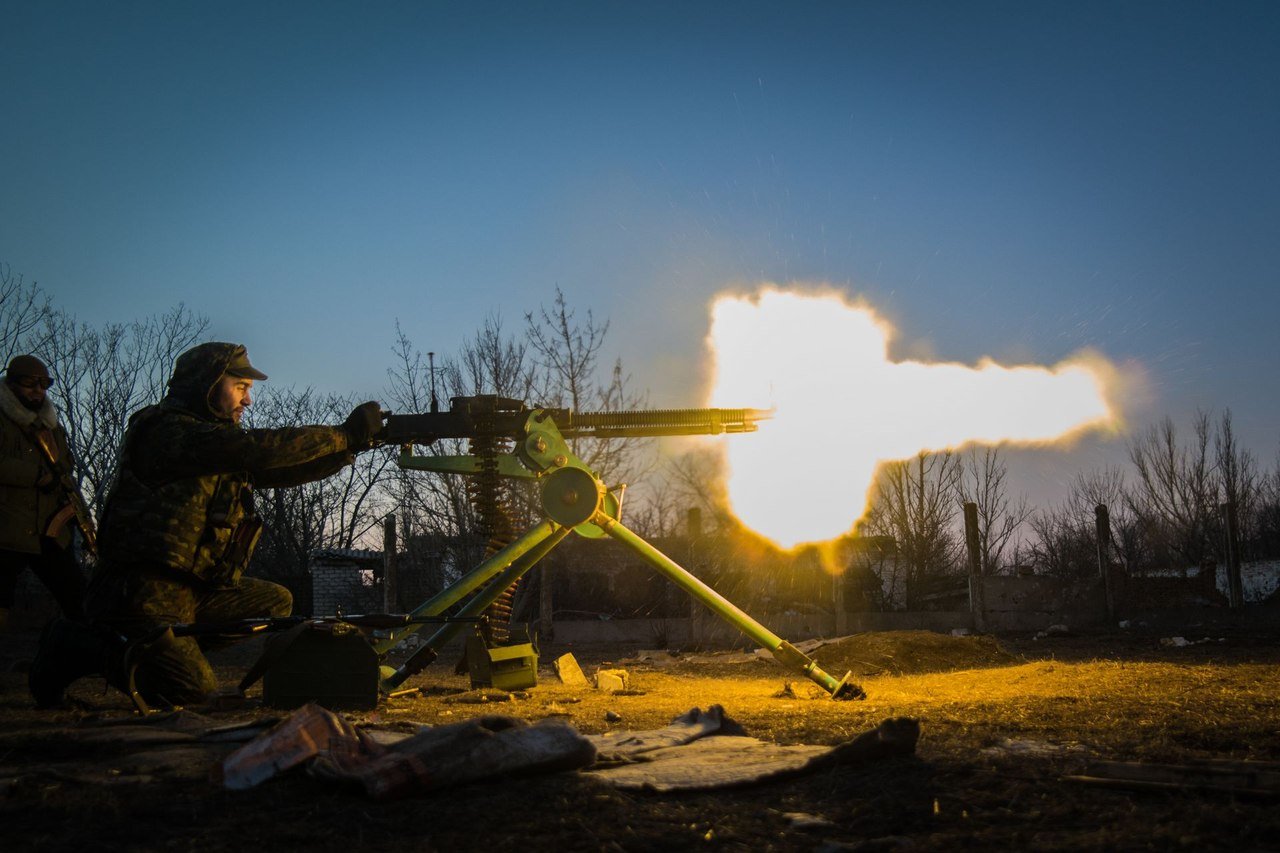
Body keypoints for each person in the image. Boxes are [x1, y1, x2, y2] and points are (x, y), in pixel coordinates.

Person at [29, 341, 383, 707]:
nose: (248, 401)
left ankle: (165, 650)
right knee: (191, 695)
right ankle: (84, 647)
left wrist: (350, 448)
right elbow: (259, 449)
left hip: (193, 590)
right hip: (140, 592)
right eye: (241, 388)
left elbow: (279, 467)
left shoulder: (212, 446)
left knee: (275, 601)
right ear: (207, 385)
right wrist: (342, 434)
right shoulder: (166, 432)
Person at [0, 355, 88, 630]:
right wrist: (36, 476)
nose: (38, 390)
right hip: (6, 528)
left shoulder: (52, 429)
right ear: (12, 383)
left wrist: (82, 519)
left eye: (44, 383)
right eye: (29, 383)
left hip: (49, 531)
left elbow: (65, 473)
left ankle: (86, 656)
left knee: (80, 600)